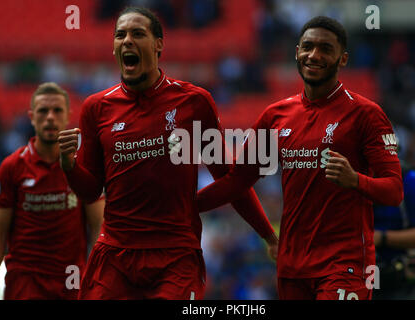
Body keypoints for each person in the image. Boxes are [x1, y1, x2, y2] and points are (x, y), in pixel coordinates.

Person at [57, 7, 278, 300]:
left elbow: (229, 177)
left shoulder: (193, 102)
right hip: (115, 254)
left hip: (175, 255)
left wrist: (268, 235)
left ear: (159, 44)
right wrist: (69, 165)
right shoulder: (96, 108)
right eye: (120, 35)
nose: (127, 41)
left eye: (137, 34)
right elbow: (90, 191)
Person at [197, 16, 404, 300]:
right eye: (308, 46)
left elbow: (394, 191)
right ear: (296, 52)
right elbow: (237, 181)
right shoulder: (276, 116)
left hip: (345, 264)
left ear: (342, 59)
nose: (314, 55)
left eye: (325, 49)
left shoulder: (366, 115)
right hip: (292, 267)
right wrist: (185, 207)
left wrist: (355, 180)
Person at [0, 82, 104, 300]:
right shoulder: (12, 167)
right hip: (24, 284)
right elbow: (0, 234)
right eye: (43, 111)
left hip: (71, 282)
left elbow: (98, 227)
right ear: (31, 116)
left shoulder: (82, 166)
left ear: (68, 116)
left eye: (57, 111)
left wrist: (95, 280)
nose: (50, 117)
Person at [373, 161, 415, 300]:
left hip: (402, 282)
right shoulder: (352, 180)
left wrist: (381, 238)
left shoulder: (409, 180)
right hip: (367, 279)